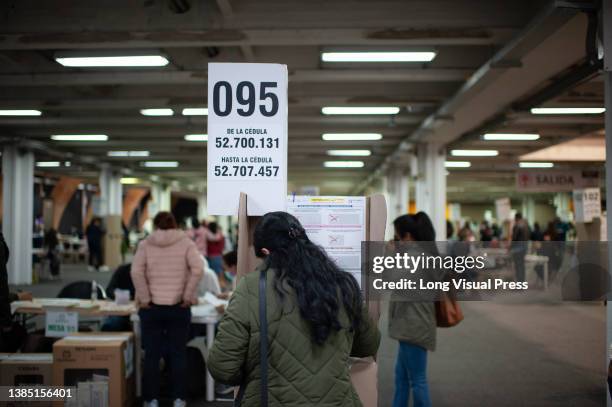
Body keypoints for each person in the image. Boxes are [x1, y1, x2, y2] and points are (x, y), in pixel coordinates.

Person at [208, 211, 380, 406]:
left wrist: (255, 371)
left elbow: (222, 367)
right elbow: (368, 345)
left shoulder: (252, 288)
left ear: (265, 252)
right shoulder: (343, 284)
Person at [131, 212, 203, 407]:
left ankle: (150, 399)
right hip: (178, 307)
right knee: (178, 353)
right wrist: (187, 295)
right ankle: (179, 398)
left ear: (155, 225)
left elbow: (136, 272)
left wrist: (145, 298)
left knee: (152, 355)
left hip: (151, 308)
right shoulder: (186, 242)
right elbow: (198, 268)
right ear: (175, 224)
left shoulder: (145, 244)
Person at [389, 212, 439, 407]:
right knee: (401, 378)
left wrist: (391, 254)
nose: (396, 241)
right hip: (411, 325)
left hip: (414, 326)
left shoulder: (415, 258)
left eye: (397, 237)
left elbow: (391, 280)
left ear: (408, 236)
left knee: (417, 381)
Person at [510, 212, 530, 282]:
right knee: (522, 267)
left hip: (517, 249)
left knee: (518, 267)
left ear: (516, 218)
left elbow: (514, 238)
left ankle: (519, 284)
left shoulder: (517, 226)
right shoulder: (526, 225)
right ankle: (522, 283)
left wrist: (510, 248)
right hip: (524, 249)